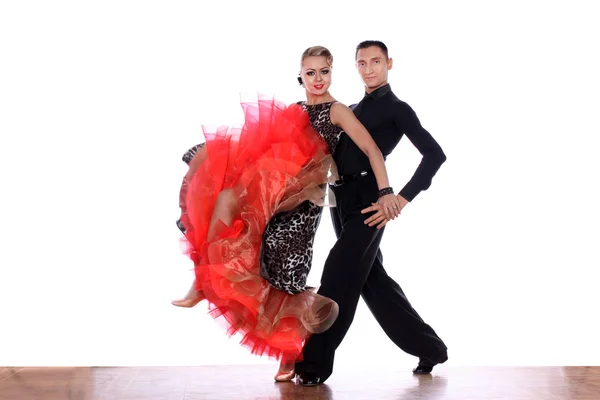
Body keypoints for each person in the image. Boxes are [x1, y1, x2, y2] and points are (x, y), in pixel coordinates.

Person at [171, 46, 401, 382]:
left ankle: (289, 354)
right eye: (311, 73)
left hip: (303, 200)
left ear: (332, 72)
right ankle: (205, 278)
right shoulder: (294, 109)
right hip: (273, 189)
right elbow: (264, 147)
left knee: (285, 275)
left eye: (323, 71)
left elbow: (370, 149)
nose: (318, 79)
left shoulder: (338, 111)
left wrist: (385, 192)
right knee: (226, 198)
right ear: (300, 76)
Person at [295, 40, 448, 386]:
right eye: (362, 63)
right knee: (374, 284)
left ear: (389, 63)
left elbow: (434, 155)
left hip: (370, 200)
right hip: (340, 200)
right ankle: (432, 349)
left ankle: (313, 365)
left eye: (376, 61)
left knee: (338, 274)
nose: (369, 69)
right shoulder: (348, 107)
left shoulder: (398, 108)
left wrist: (398, 197)